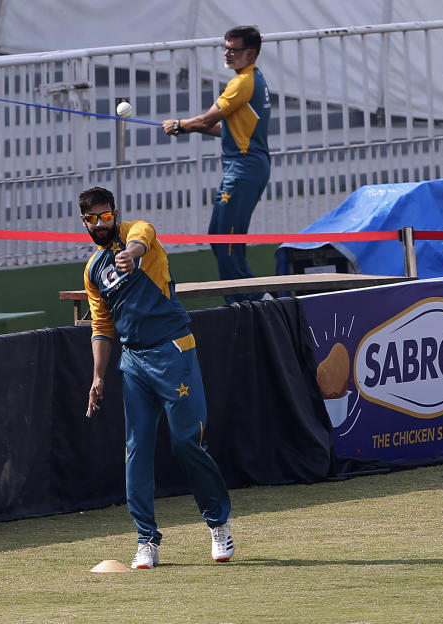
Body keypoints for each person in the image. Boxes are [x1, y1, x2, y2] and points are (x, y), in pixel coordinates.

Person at [80, 186, 234, 569]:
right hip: (133, 362)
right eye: (92, 219)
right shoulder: (93, 269)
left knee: (186, 442)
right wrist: (97, 377)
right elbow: (101, 325)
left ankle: (218, 524)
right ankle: (146, 539)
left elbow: (141, 240)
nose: (101, 224)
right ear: (83, 221)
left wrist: (131, 255)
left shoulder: (137, 232)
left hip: (173, 351)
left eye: (105, 216)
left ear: (115, 213)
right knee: (136, 450)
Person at [162, 25, 271, 304]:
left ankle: (255, 302)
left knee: (227, 242)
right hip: (244, 168)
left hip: (244, 169)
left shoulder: (242, 82)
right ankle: (247, 300)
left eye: (233, 49)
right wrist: (191, 127)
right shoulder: (252, 79)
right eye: (226, 47)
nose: (227, 53)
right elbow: (226, 129)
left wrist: (180, 125)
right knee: (220, 237)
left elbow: (207, 119)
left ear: (252, 52)